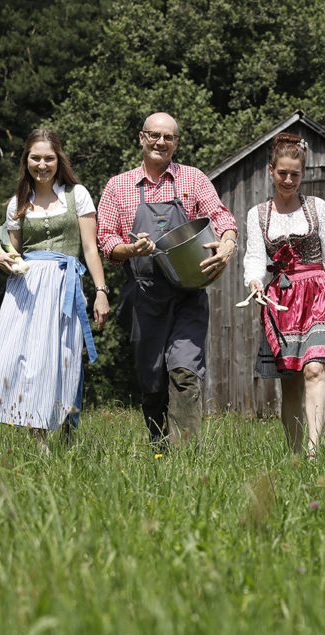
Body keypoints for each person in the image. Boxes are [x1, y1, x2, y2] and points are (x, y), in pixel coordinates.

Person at [96, 112, 237, 447]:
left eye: (168, 137)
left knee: (185, 372)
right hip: (143, 296)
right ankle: (160, 452)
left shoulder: (192, 179)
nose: (161, 142)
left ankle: (187, 454)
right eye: (154, 135)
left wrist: (228, 243)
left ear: (176, 142)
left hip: (189, 291)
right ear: (142, 138)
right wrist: (130, 249)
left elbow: (220, 215)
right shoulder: (119, 186)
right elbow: (106, 239)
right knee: (153, 378)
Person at [0, 128, 109, 448]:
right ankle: (40, 447)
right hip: (27, 291)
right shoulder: (18, 202)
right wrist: (1, 258)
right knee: (31, 365)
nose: (42, 164)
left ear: (58, 160)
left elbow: (90, 248)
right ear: (26, 160)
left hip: (65, 286)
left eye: (49, 158)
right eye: (35, 158)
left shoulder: (78, 196)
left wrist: (101, 291)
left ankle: (67, 438)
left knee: (65, 361)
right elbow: (13, 251)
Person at [243, 132, 325, 458]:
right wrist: (254, 281)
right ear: (271, 171)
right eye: (282, 173)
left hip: (317, 293)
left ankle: (313, 451)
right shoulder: (258, 214)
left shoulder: (316, 207)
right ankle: (294, 453)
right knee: (290, 380)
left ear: (303, 174)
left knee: (314, 369)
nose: (289, 180)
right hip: (281, 300)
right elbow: (253, 256)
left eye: (295, 174)